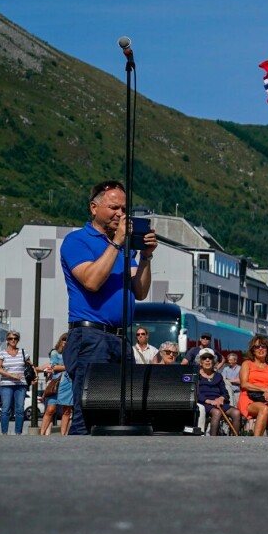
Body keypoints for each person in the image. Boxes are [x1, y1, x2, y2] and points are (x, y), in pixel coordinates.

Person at [59, 179, 157, 434]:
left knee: (118, 413)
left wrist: (145, 257)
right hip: (91, 336)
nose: (120, 214)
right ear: (94, 207)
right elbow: (91, 281)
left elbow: (141, 290)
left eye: (124, 209)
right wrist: (116, 245)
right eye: (114, 207)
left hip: (120, 337)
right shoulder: (77, 241)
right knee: (88, 411)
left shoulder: (125, 250)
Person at [238, 335, 268, 437]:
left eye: (263, 346)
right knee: (263, 408)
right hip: (249, 399)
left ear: (267, 349)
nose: (260, 349)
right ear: (253, 350)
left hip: (267, 397)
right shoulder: (247, 364)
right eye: (257, 347)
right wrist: (264, 389)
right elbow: (244, 384)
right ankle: (257, 441)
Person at [196, 349, 241, 436]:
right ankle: (214, 440)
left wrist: (221, 398)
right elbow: (195, 392)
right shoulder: (196, 375)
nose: (207, 360)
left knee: (236, 412)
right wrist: (208, 401)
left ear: (214, 361)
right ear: (200, 361)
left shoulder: (218, 376)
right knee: (217, 412)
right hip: (203, 403)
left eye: (210, 358)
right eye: (204, 358)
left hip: (218, 403)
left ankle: (234, 440)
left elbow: (225, 393)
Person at [39, 333, 73, 436]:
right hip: (56, 383)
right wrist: (67, 366)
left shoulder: (72, 353)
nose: (65, 342)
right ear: (60, 341)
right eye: (64, 339)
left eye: (67, 340)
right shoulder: (55, 353)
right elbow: (54, 367)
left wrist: (62, 367)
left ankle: (63, 435)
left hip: (68, 382)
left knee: (67, 410)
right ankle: (41, 433)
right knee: (50, 409)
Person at [0, 329, 31, 435]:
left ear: (18, 340)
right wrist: (12, 375)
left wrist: (34, 377)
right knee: (5, 409)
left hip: (21, 384)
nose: (13, 340)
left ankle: (18, 433)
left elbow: (30, 367)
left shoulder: (23, 352)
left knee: (20, 410)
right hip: (6, 385)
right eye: (10, 338)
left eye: (15, 338)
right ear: (7, 340)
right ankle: (4, 433)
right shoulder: (2, 353)